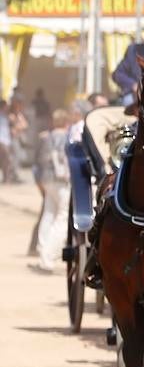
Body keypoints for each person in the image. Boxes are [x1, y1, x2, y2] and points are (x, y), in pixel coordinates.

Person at [31, 109, 70, 273]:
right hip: (62, 181)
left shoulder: (46, 137)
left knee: (48, 214)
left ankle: (42, 249)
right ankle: (47, 256)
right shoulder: (68, 138)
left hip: (47, 179)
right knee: (62, 216)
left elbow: (38, 160)